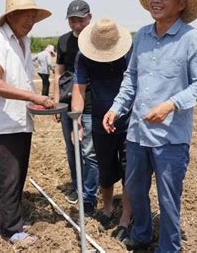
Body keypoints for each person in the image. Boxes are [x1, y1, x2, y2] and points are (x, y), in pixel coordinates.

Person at [103, 0, 197, 252]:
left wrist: (170, 105)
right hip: (138, 132)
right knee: (136, 191)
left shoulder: (191, 39)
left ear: (181, 4)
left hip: (170, 137)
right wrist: (117, 108)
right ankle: (140, 235)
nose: (157, 0)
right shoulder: (142, 35)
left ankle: (168, 248)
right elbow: (131, 78)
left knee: (167, 199)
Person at [0, 0, 54, 245]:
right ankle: (11, 230)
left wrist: (38, 103)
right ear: (11, 15)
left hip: (21, 120)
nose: (30, 22)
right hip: (2, 122)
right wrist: (33, 97)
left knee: (18, 173)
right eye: (26, 16)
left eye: (34, 17)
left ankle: (11, 218)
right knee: (9, 175)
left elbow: (20, 80)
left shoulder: (25, 41)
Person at [72, 17, 133, 240]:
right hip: (99, 122)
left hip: (129, 123)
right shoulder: (83, 56)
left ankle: (126, 216)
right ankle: (107, 208)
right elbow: (79, 90)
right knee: (105, 171)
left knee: (129, 171)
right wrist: (76, 120)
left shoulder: (129, 52)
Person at [53, 0, 98, 210]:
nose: (76, 25)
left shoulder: (98, 39)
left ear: (90, 17)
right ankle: (77, 186)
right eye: (72, 21)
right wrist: (55, 99)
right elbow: (58, 71)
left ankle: (91, 191)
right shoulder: (63, 42)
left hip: (91, 101)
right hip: (67, 102)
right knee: (72, 147)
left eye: (80, 20)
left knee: (89, 150)